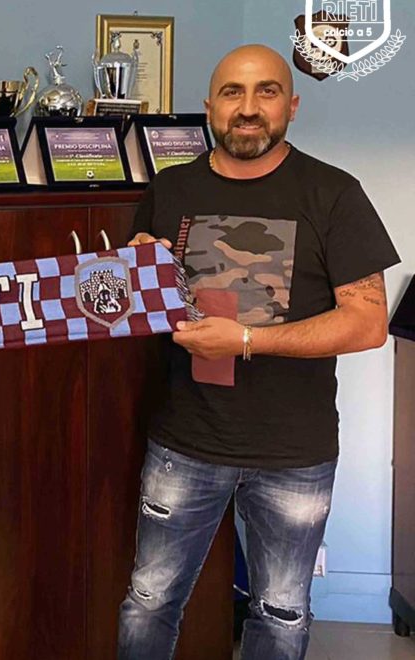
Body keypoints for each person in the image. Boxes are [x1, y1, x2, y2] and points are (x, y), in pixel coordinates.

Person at [118, 44, 399, 659]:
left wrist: (247, 340)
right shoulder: (171, 188)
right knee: (149, 601)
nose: (248, 108)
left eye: (266, 91)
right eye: (233, 92)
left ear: (291, 106)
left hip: (293, 452)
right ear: (209, 107)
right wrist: (134, 267)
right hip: (185, 442)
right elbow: (137, 307)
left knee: (281, 615)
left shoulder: (333, 193)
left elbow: (367, 323)